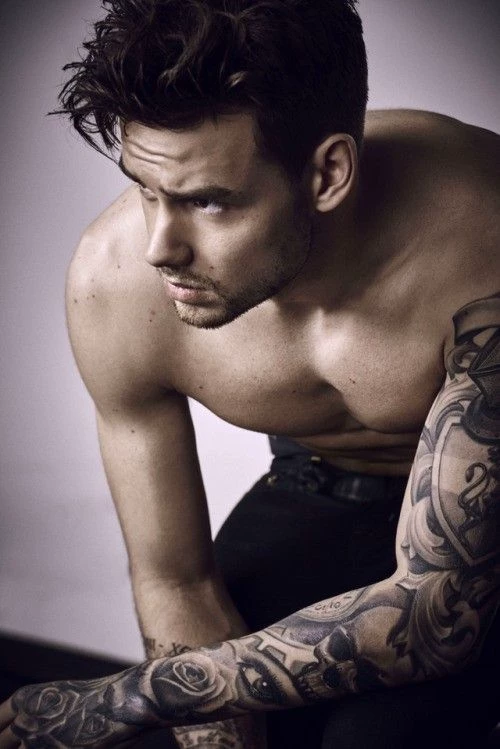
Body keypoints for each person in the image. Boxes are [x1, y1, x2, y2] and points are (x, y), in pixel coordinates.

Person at [0, 0, 499, 747]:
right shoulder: (113, 283)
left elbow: (434, 619)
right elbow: (177, 580)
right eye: (145, 189)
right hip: (317, 482)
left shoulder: (483, 246)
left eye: (206, 201)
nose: (160, 248)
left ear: (327, 173)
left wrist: (123, 700)